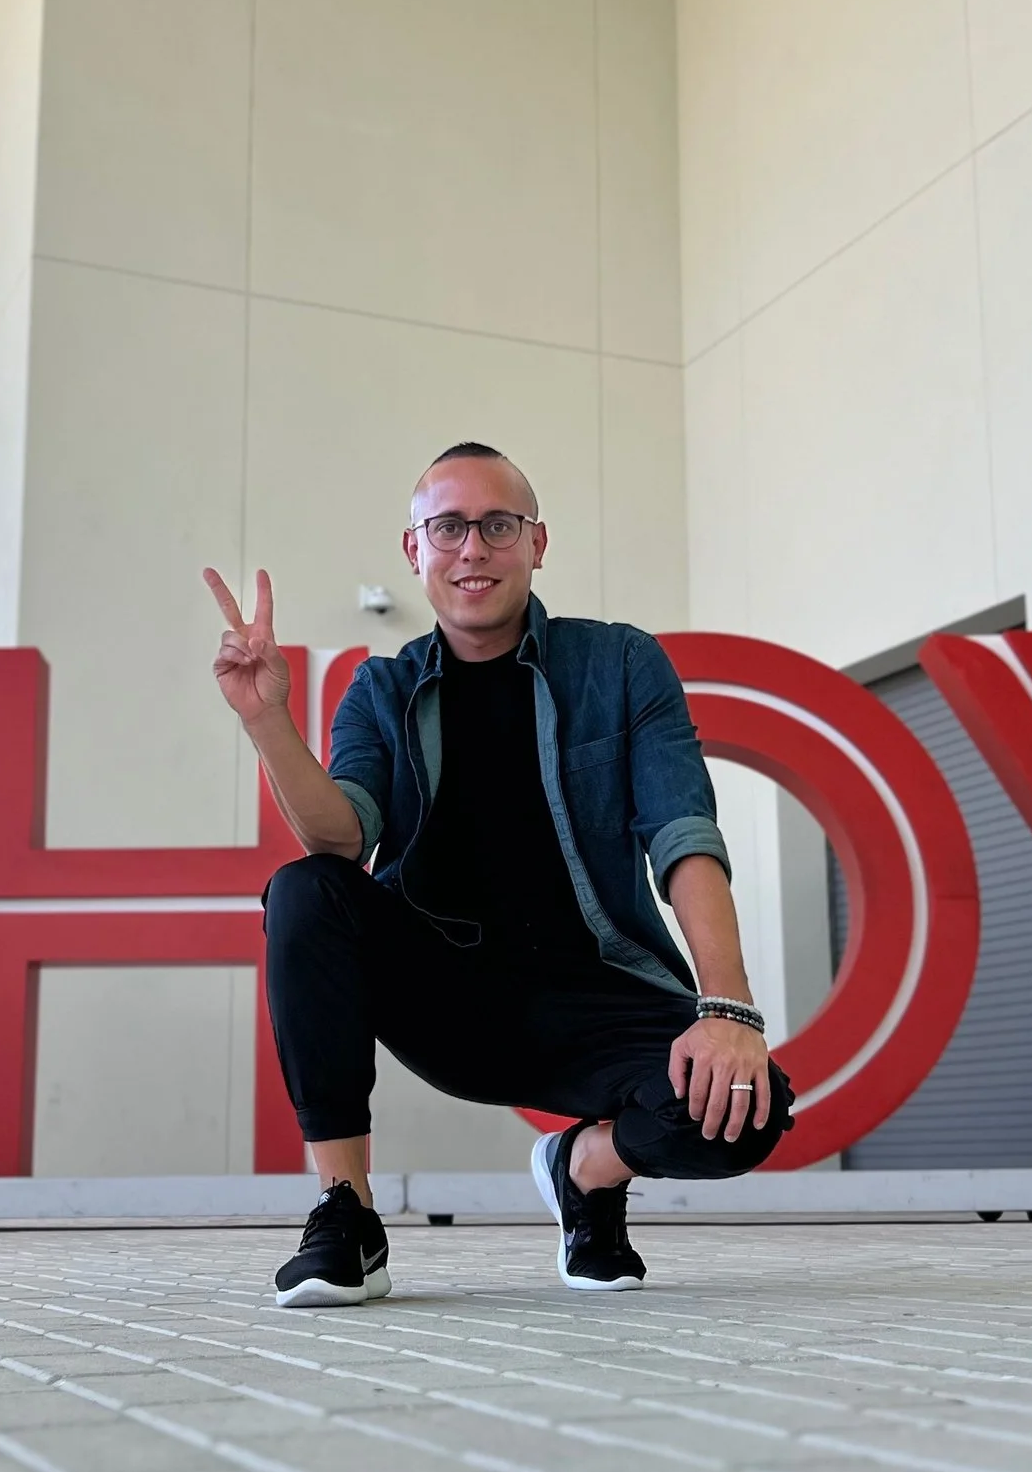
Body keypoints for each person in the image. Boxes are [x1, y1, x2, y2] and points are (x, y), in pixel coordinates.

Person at [204, 441, 791, 1306]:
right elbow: (340, 840)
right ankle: (347, 1214)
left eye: (497, 525)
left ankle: (585, 1170)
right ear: (415, 550)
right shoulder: (382, 690)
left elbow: (682, 833)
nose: (472, 549)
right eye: (448, 528)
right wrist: (266, 722)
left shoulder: (622, 665)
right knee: (305, 890)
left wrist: (727, 1008)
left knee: (745, 1108)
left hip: (599, 990)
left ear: (536, 542)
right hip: (450, 995)